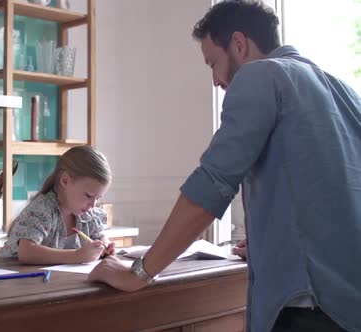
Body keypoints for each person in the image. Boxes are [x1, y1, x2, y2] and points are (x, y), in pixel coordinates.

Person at [89, 1, 360, 332]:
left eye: (212, 62)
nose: (216, 80)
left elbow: (213, 182)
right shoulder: (343, 90)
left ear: (240, 44)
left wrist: (140, 272)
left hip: (309, 310)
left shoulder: (261, 75)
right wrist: (273, 244)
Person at [0, 145, 115, 264]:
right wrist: (77, 255)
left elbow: (99, 236)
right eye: (89, 195)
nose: (93, 204)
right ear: (65, 181)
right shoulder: (43, 208)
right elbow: (26, 252)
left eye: (98, 198)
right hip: (2, 276)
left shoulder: (88, 214)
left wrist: (104, 245)